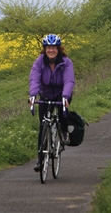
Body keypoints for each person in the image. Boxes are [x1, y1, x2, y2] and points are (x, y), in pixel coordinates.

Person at [29, 34, 75, 172]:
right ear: (44, 49)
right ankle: (40, 160)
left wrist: (66, 96)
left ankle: (64, 132)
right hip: (46, 94)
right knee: (43, 124)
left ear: (58, 49)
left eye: (53, 48)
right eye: (48, 47)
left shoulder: (66, 62)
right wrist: (33, 95)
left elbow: (69, 81)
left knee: (63, 113)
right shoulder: (39, 62)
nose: (51, 50)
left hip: (62, 93)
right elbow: (34, 79)